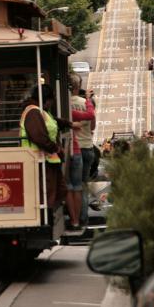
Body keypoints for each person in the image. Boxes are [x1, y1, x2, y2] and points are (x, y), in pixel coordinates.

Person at [20, 85, 69, 214]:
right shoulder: (33, 112)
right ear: (46, 99)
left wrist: (68, 124)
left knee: (55, 191)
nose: (51, 103)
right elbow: (39, 136)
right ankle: (44, 217)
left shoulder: (41, 111)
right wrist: (56, 148)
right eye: (50, 100)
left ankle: (49, 215)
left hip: (48, 160)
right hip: (38, 161)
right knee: (46, 193)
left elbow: (52, 122)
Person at [67, 82, 96, 229]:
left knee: (71, 186)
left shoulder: (65, 104)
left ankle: (75, 219)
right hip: (86, 146)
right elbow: (92, 126)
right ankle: (83, 218)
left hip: (73, 148)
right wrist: (89, 100)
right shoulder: (86, 103)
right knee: (82, 185)